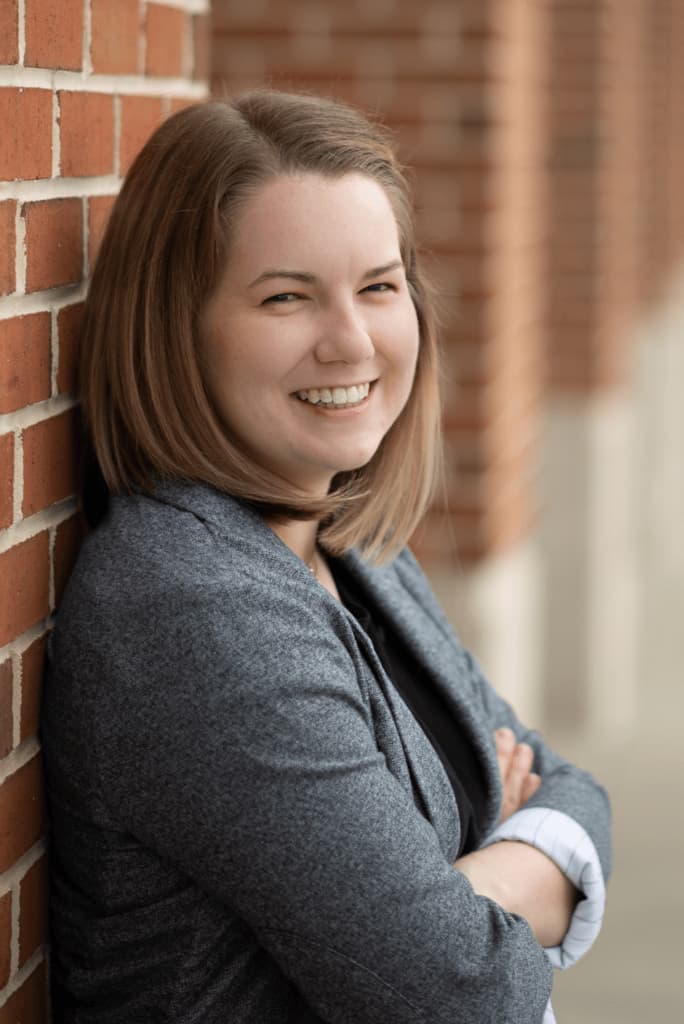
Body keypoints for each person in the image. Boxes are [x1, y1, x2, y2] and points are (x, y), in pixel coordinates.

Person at [41, 91, 611, 1024]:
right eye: (286, 297)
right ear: (176, 327)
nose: (352, 342)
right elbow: (460, 992)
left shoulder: (348, 542)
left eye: (379, 286)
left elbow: (573, 786)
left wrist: (453, 894)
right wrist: (495, 881)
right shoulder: (189, 608)